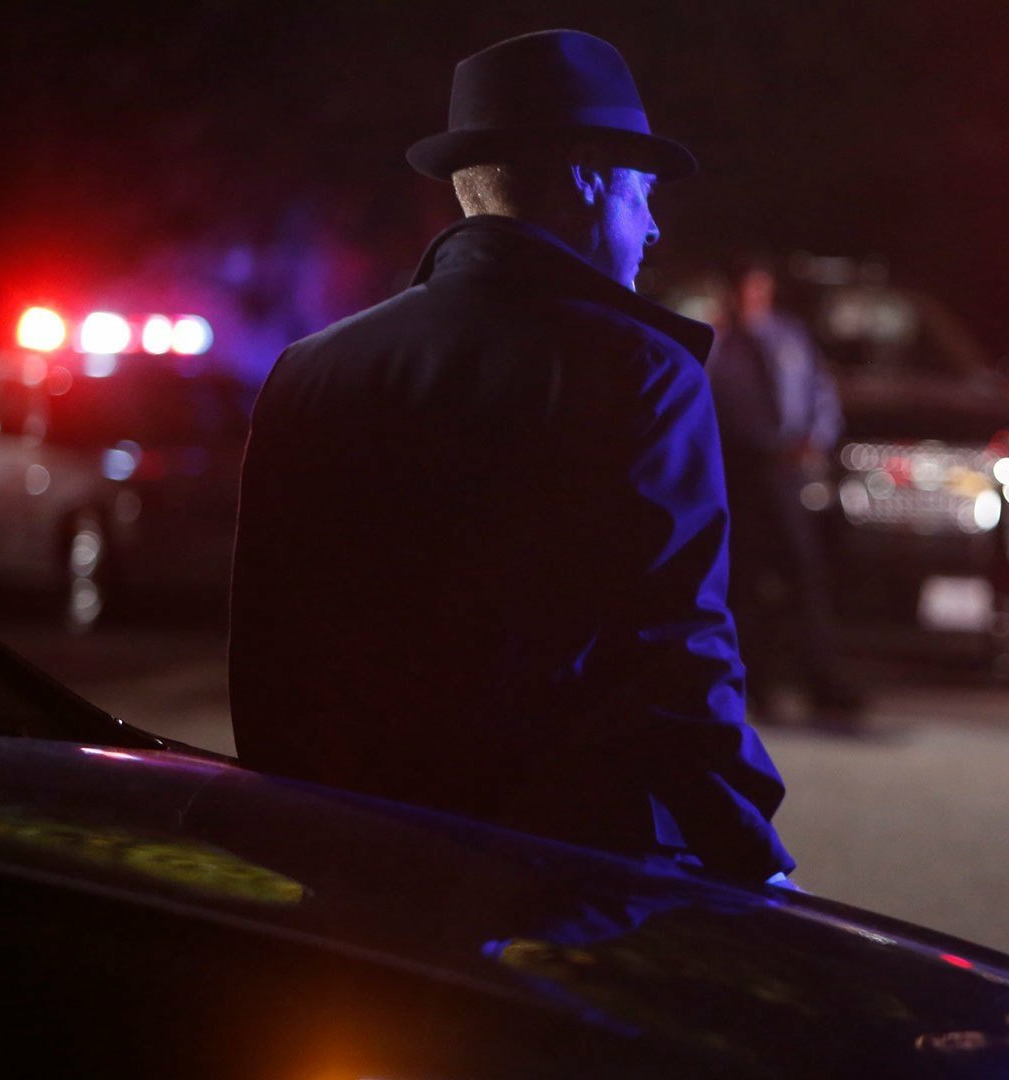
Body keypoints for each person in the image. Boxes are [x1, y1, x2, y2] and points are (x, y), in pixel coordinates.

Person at [228, 30, 794, 884]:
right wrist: (752, 857)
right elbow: (675, 652)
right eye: (641, 193)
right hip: (563, 878)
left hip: (343, 859)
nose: (652, 228)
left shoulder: (310, 371)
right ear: (589, 178)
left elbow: (268, 651)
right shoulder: (640, 373)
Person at [704, 258, 862, 724]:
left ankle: (822, 681)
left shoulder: (789, 338)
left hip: (785, 471)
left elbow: (820, 392)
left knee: (803, 575)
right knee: (745, 582)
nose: (751, 299)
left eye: (758, 289)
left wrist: (817, 439)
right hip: (739, 470)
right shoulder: (715, 342)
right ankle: (753, 684)